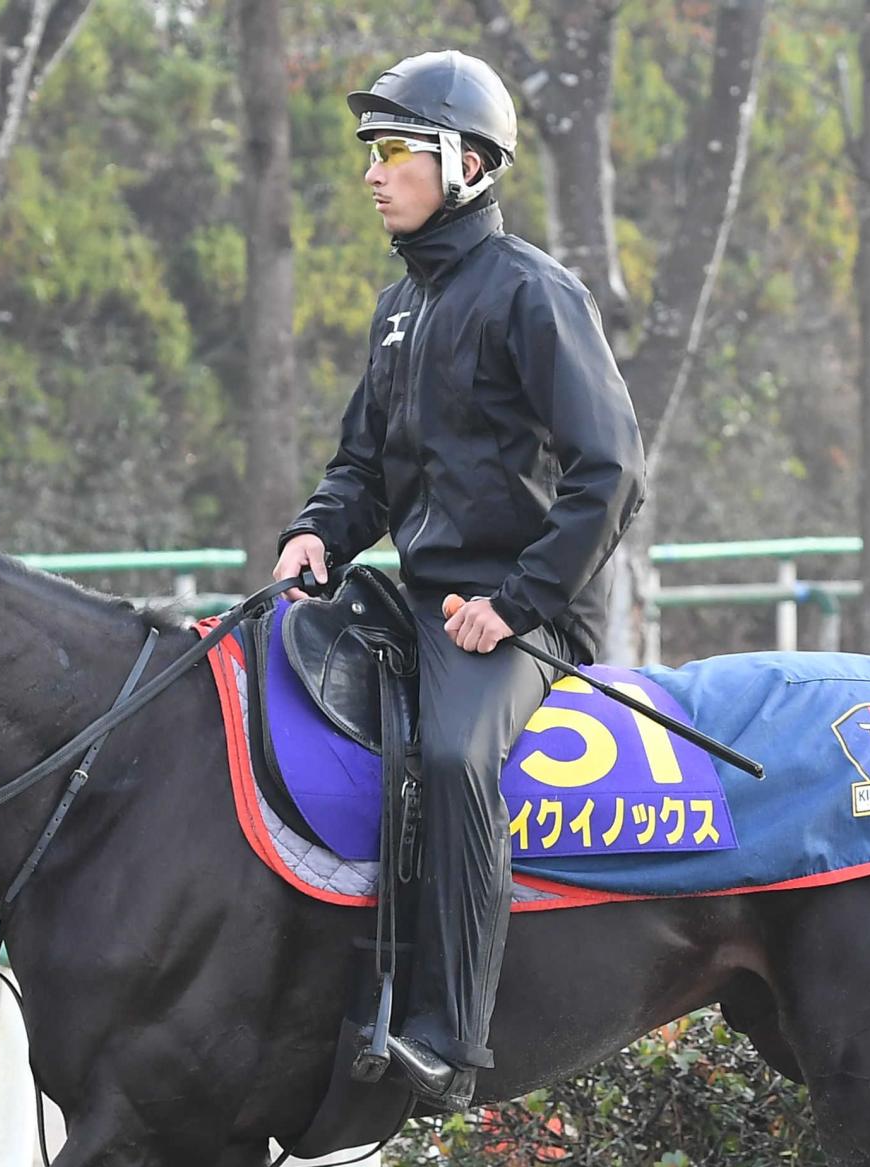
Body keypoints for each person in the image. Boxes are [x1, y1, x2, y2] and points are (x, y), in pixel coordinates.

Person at [273, 49, 647, 1111]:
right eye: (369, 153)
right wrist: (317, 537)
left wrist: (516, 604)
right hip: (421, 599)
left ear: (467, 165)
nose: (372, 174)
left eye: (393, 152)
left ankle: (453, 1032)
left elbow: (609, 472)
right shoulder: (399, 307)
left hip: (519, 616)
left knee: (449, 754)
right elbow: (360, 470)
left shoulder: (535, 292)